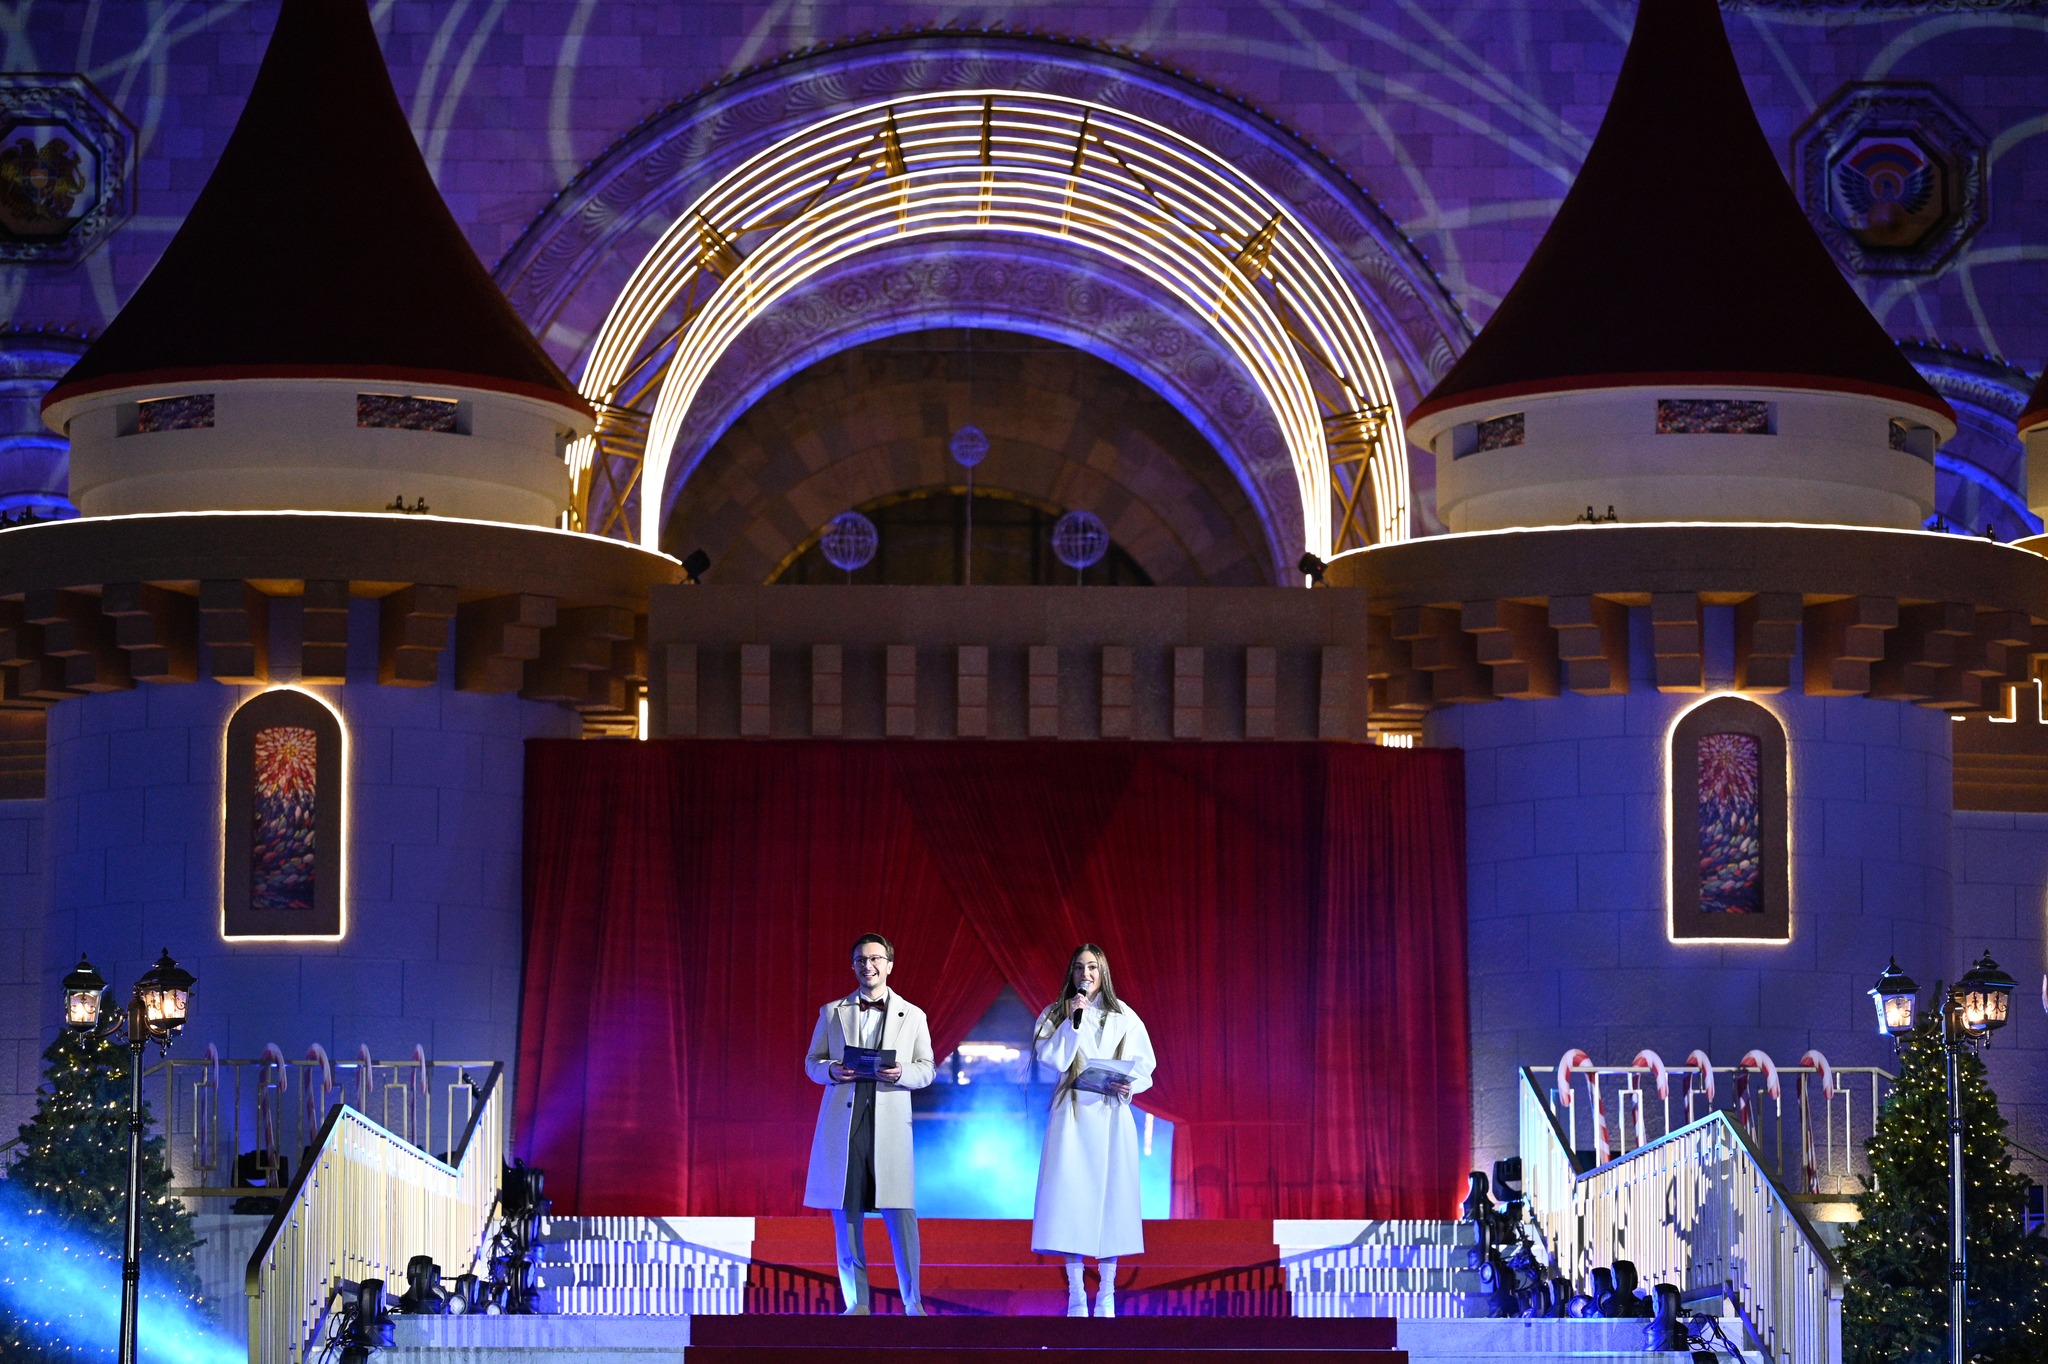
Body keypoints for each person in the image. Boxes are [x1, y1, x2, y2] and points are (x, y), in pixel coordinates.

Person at [803, 932, 936, 1315]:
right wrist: (832, 1070)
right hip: (846, 1121)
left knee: (900, 1213)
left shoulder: (913, 1015)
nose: (869, 966)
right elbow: (812, 1062)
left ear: (889, 965)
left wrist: (901, 1072)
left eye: (876, 958)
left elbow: (927, 1069)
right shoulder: (832, 1012)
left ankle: (912, 1302)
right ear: (853, 966)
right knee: (846, 1212)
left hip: (889, 1121)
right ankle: (857, 1303)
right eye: (861, 960)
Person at [1030, 942, 1156, 1318]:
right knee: (1071, 1201)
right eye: (1079, 968)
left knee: (1112, 1201)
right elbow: (1054, 1058)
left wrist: (1128, 1085)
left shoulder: (1124, 1016)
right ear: (1071, 973)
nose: (1085, 975)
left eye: (1092, 968)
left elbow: (1145, 1066)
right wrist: (1072, 1021)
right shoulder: (1055, 1014)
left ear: (1103, 973)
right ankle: (1075, 1293)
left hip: (1111, 1116)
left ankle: (1106, 1293)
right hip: (1071, 1116)